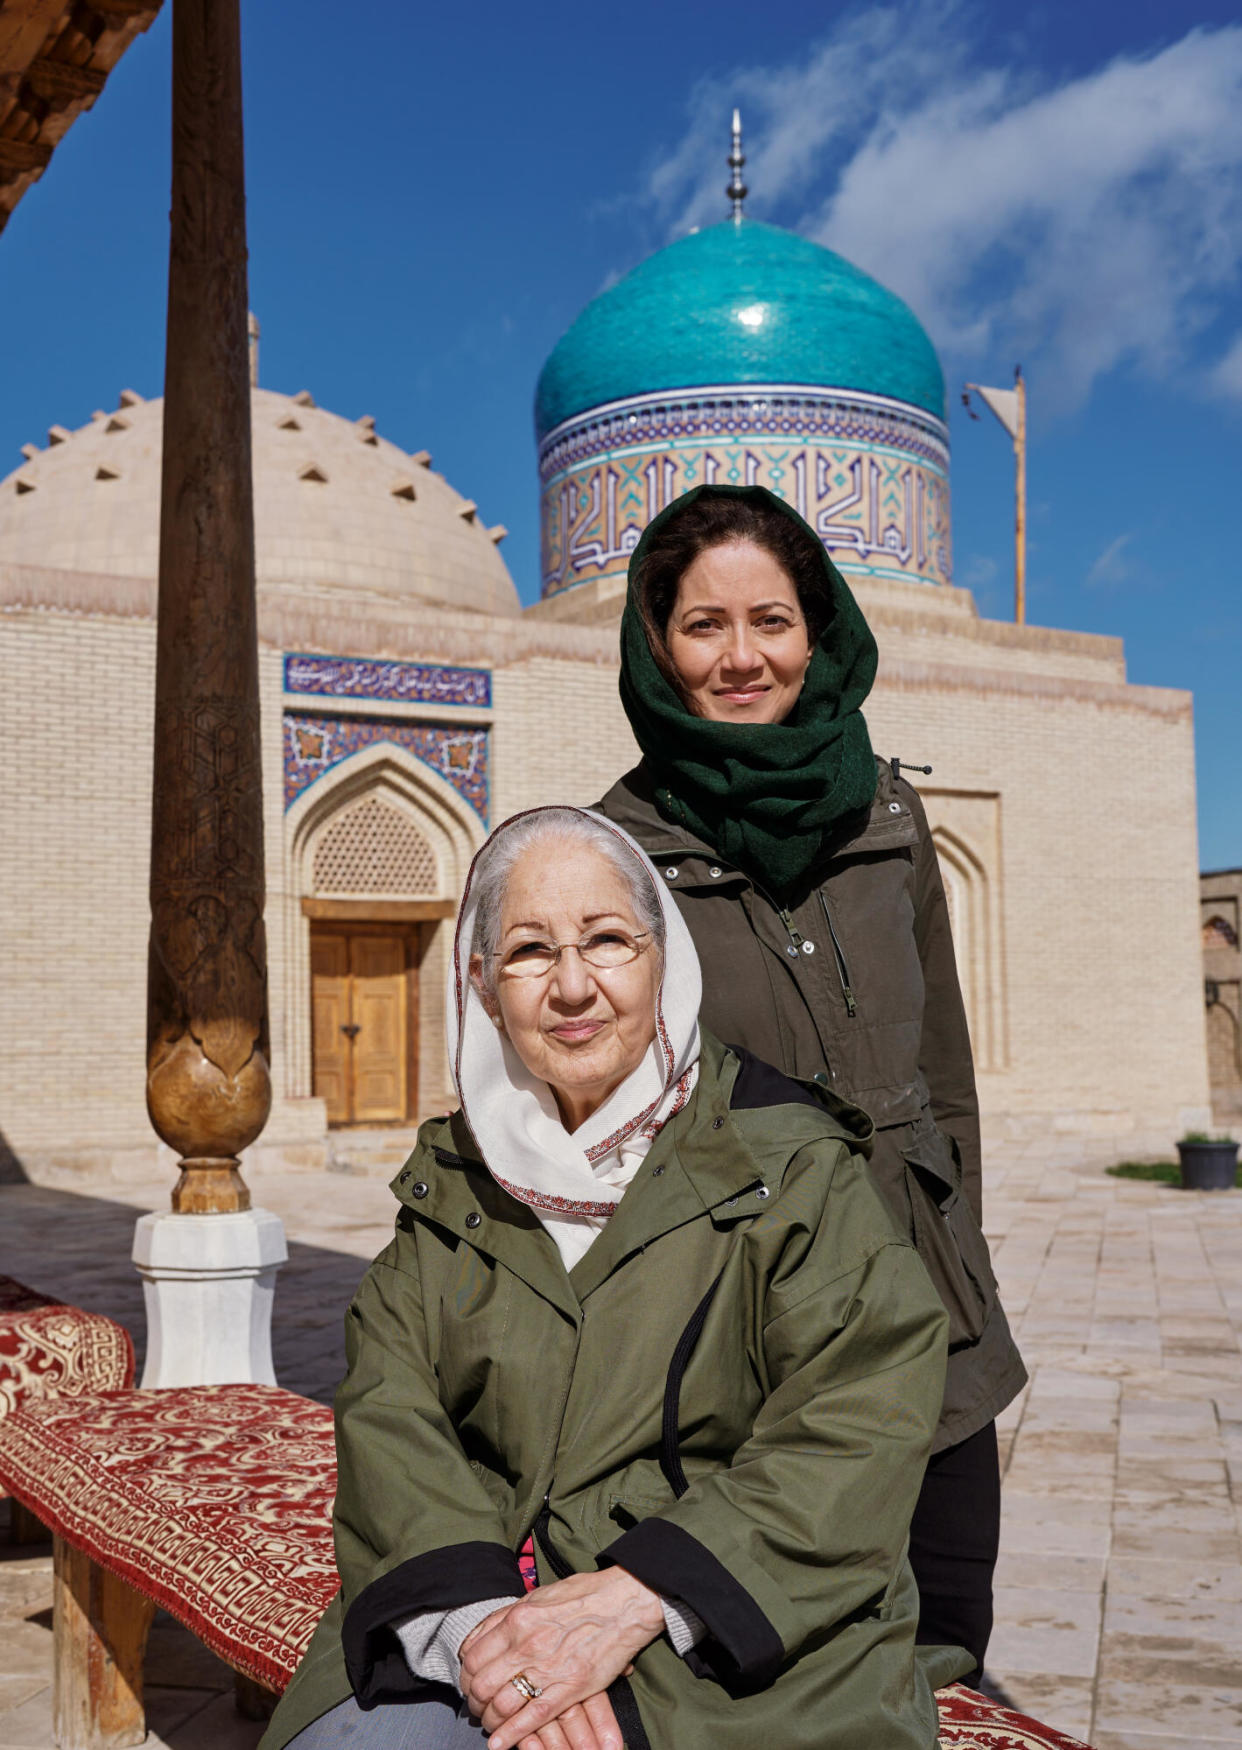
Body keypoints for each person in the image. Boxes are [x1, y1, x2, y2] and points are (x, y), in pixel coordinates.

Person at [262, 806, 969, 1750]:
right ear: (481, 982)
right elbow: (392, 1409)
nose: (571, 986)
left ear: (661, 957)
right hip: (489, 1597)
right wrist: (484, 1632)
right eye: (527, 951)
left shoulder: (785, 1164)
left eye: (606, 940)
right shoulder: (458, 1184)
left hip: (729, 1629)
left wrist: (644, 1594)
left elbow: (860, 1414)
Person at [595, 484, 1027, 1680]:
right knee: (776, 1667)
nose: (743, 658)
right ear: (656, 645)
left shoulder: (890, 813)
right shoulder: (611, 854)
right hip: (747, 1341)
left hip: (930, 1325)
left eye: (772, 621)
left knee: (943, 1647)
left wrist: (964, 1262)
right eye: (703, 626)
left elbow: (946, 1081)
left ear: (820, 631)